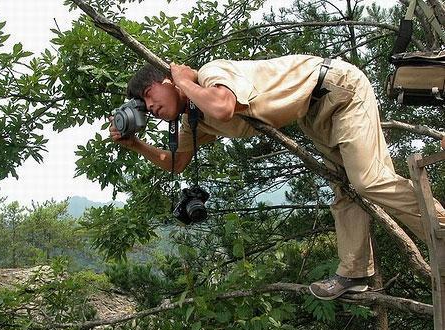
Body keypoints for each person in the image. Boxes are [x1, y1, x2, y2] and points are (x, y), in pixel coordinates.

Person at [109, 55, 445, 300]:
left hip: (337, 89)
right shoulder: (195, 118)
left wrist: (183, 78)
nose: (149, 107)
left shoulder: (212, 75)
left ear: (167, 80)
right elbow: (176, 163)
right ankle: (355, 272)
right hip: (313, 115)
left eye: (149, 95)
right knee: (345, 189)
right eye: (143, 105)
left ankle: (441, 229)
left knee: (367, 180)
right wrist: (136, 144)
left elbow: (224, 106)